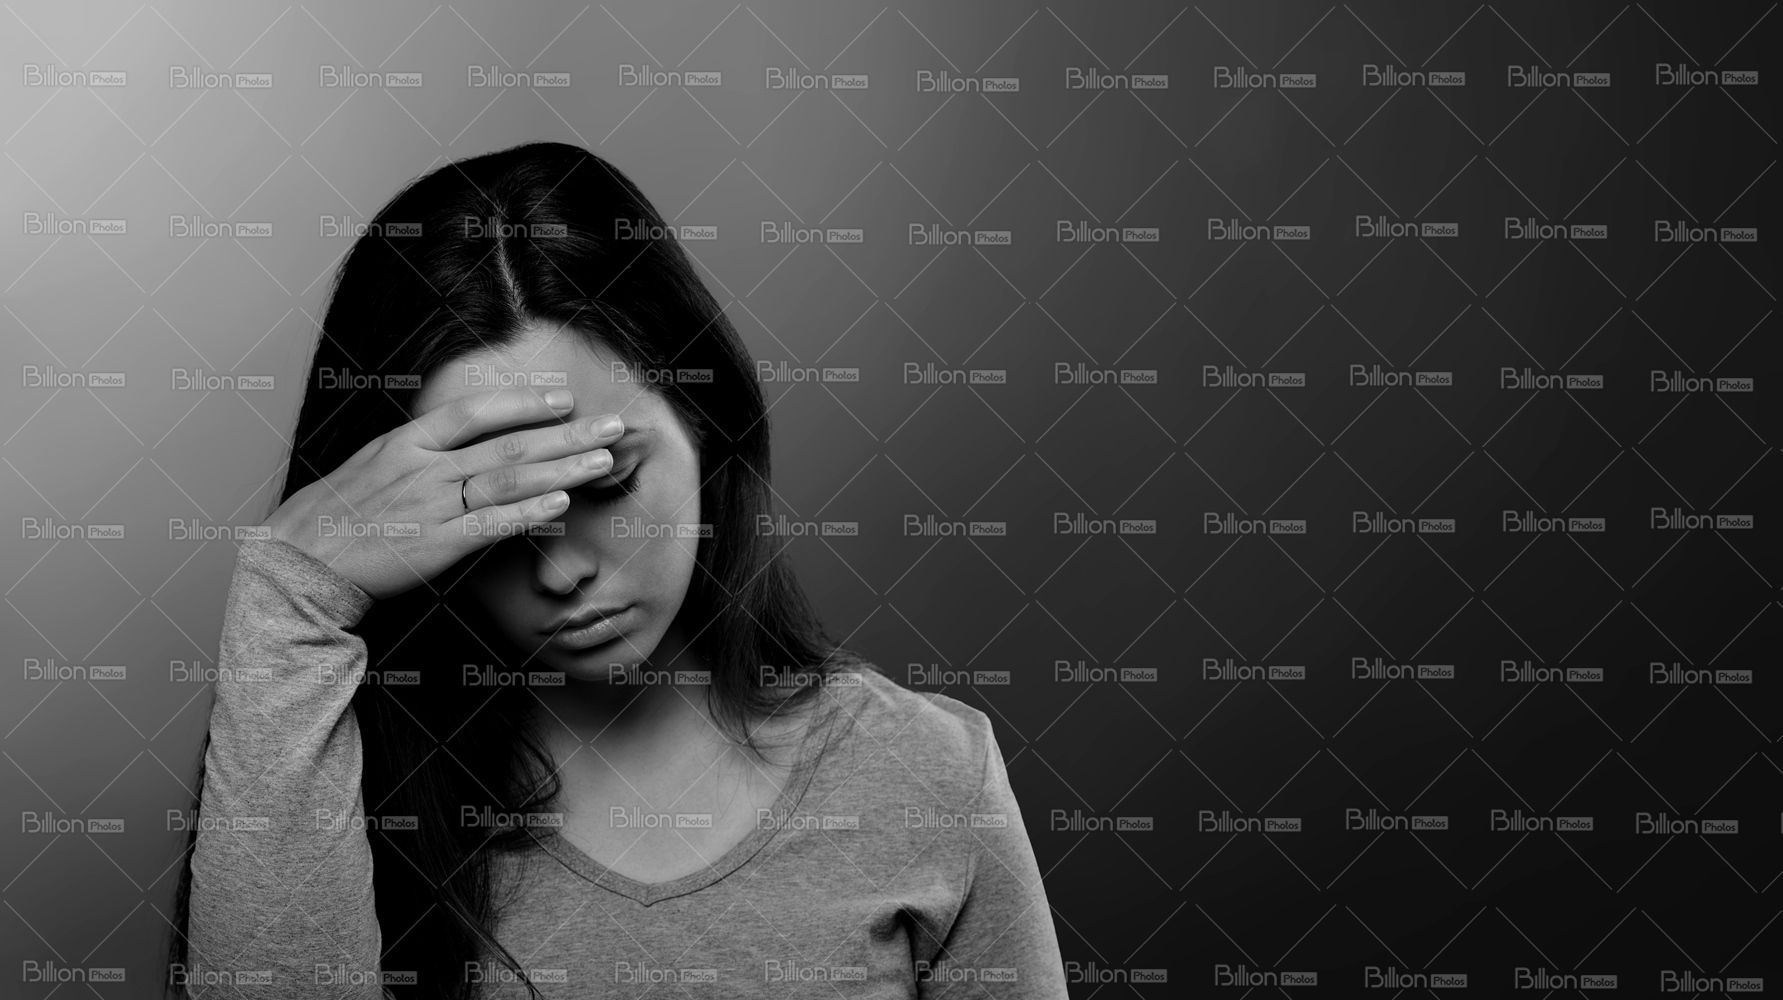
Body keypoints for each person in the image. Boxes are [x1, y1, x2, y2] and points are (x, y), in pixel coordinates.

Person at [167, 141, 1067, 998]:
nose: (561, 571)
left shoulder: (926, 774)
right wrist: (288, 599)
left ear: (706, 422)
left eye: (605, 483)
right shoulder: (345, 778)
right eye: (489, 517)